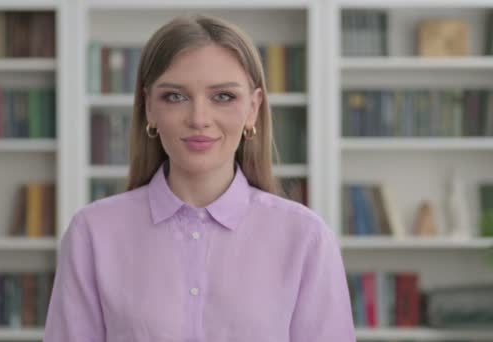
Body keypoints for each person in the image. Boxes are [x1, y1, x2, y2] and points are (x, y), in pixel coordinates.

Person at [44, 14, 355, 341]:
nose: (199, 119)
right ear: (149, 107)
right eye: (175, 96)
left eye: (223, 96)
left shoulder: (306, 238)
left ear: (253, 108)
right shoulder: (92, 233)